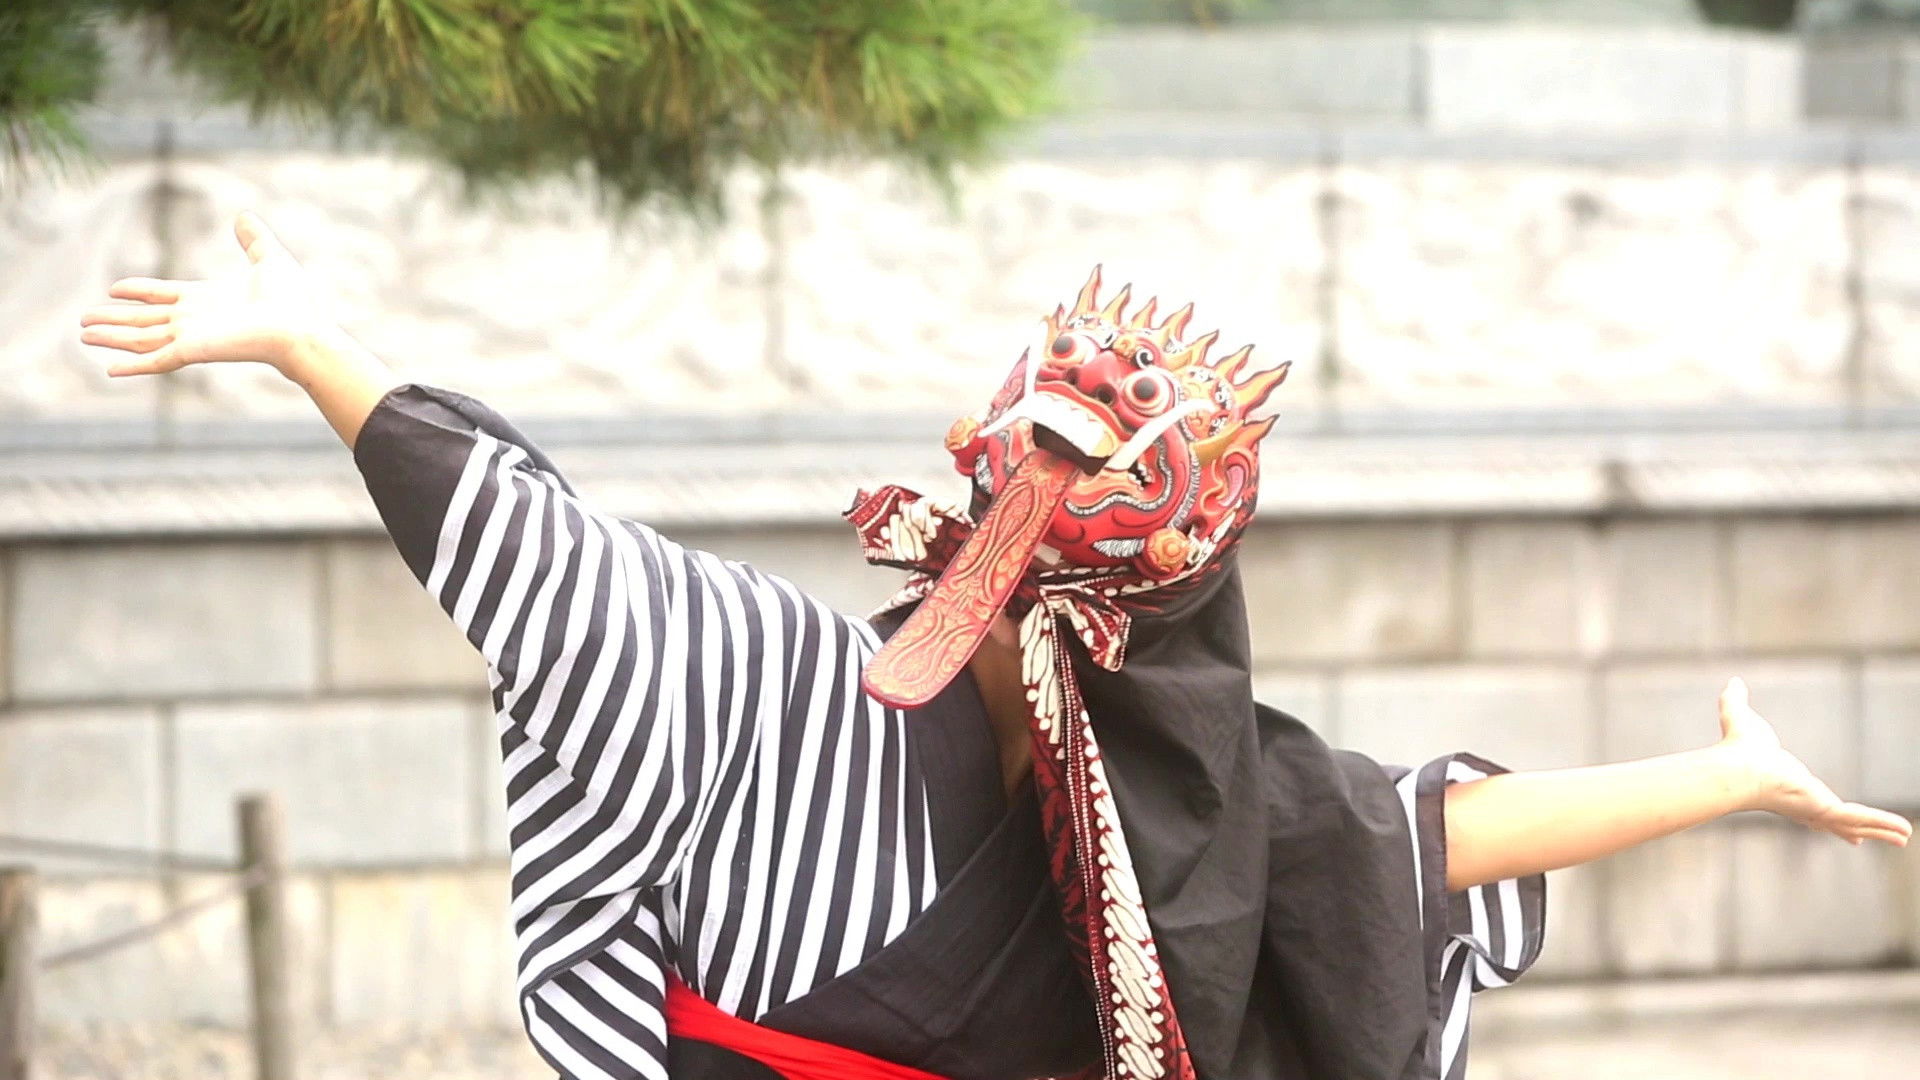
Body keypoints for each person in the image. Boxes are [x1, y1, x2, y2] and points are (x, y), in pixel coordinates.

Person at [81, 213, 1910, 1080]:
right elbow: (534, 550)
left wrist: (1728, 777)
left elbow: (1433, 834)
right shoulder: (774, 689)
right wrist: (317, 351)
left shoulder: (1195, 797)